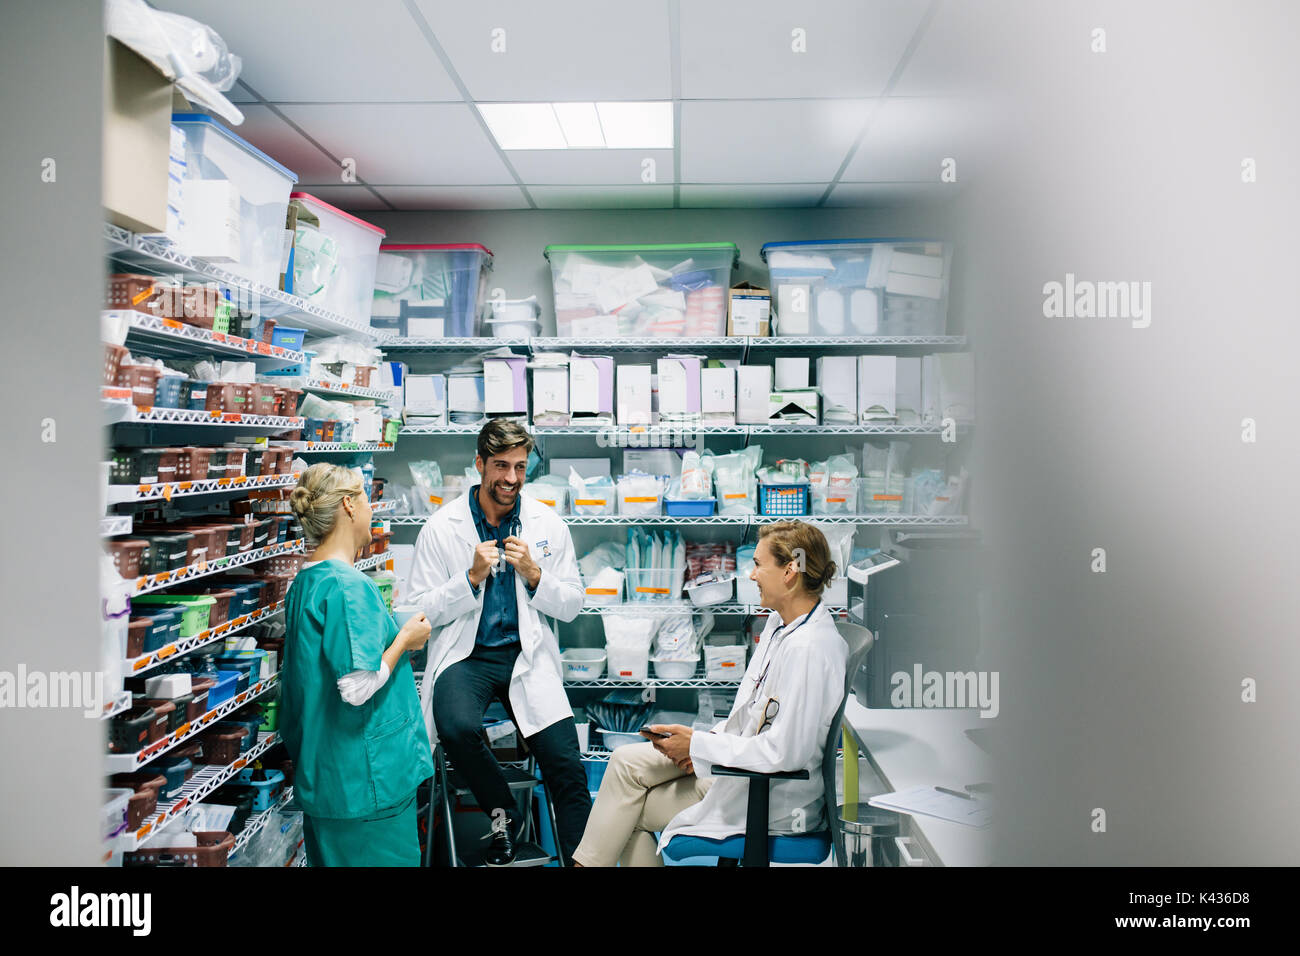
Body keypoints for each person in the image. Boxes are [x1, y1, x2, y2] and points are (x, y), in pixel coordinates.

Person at [571, 520, 848, 867]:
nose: (750, 575)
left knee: (626, 814)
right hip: (738, 768)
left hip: (768, 797)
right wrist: (700, 744)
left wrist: (698, 747)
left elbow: (784, 754)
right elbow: (751, 717)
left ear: (790, 571)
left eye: (759, 564)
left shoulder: (811, 649)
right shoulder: (781, 627)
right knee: (624, 762)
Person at [408, 420, 590, 866]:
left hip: (526, 656)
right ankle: (504, 820)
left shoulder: (547, 522)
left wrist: (535, 575)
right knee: (455, 728)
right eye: (501, 466)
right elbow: (415, 612)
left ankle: (586, 859)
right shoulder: (441, 527)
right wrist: (468, 579)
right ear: (479, 465)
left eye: (520, 467)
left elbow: (572, 605)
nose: (511, 478)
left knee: (566, 764)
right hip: (467, 658)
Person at [281, 463, 434, 867]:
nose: (372, 511)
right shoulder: (347, 586)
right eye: (366, 499)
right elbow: (356, 686)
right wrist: (405, 640)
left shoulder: (307, 582)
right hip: (367, 786)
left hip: (329, 781)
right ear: (349, 505)